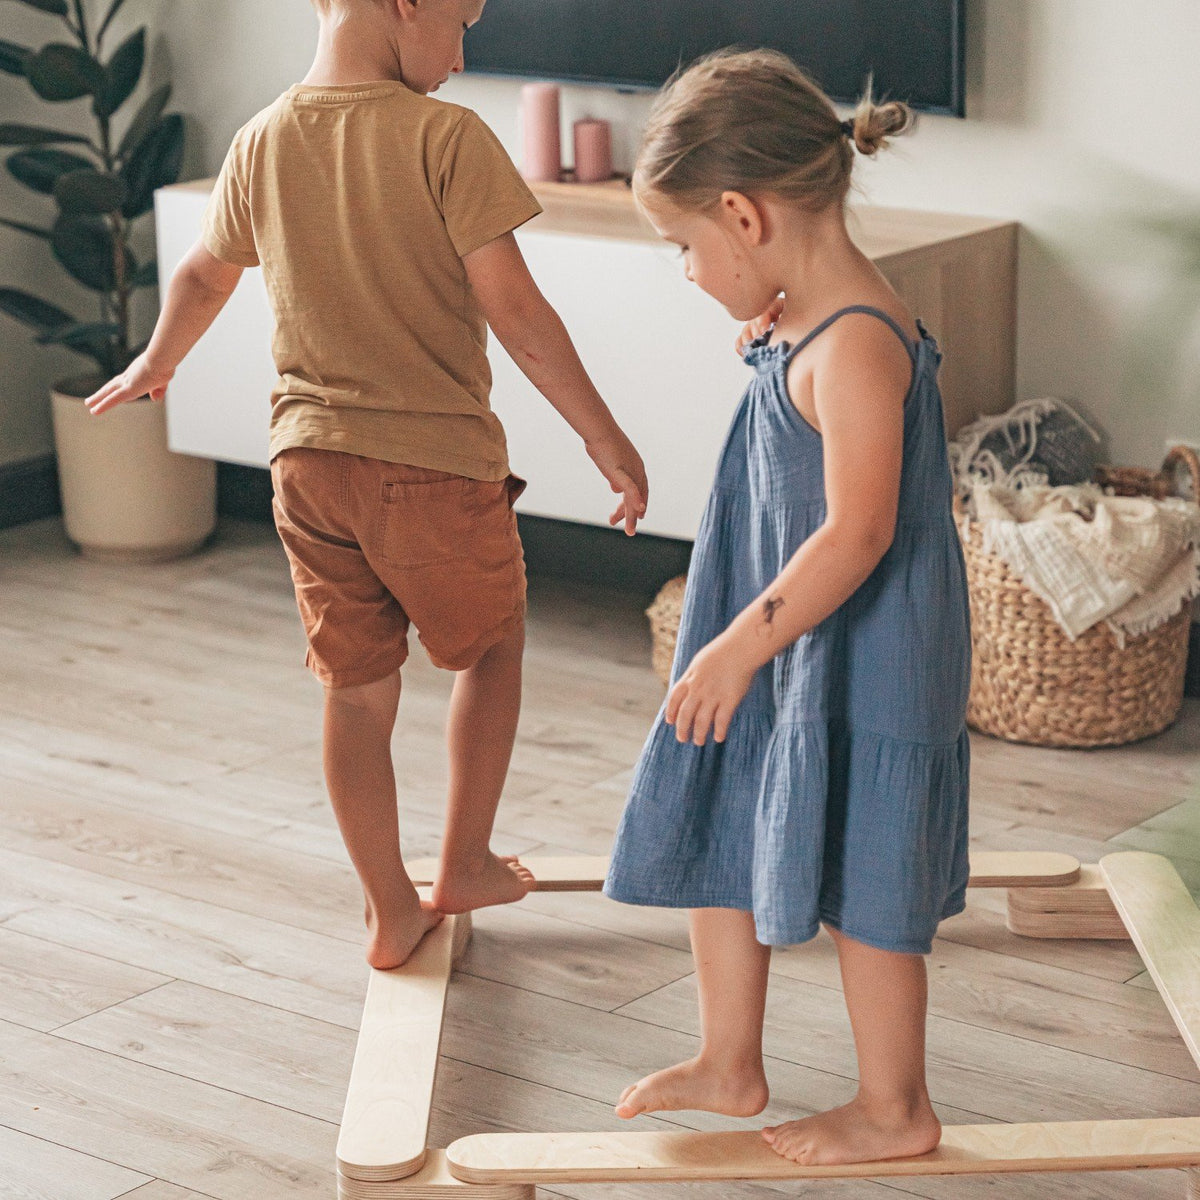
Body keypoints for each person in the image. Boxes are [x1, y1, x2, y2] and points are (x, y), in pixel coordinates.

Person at [86, 0, 647, 970]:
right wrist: (605, 438)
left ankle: (392, 908)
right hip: (433, 465)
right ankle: (463, 860)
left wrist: (154, 361)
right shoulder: (446, 138)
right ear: (404, 4)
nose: (465, 54)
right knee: (492, 646)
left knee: (354, 692)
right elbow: (515, 311)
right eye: (463, 24)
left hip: (305, 466)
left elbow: (203, 278)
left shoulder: (262, 138)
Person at [603, 48, 971, 1167]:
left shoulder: (855, 341)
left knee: (869, 867)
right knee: (723, 787)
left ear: (742, 215)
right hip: (785, 622)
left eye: (683, 247)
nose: (685, 271)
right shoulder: (807, 320)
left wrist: (736, 647)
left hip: (864, 644)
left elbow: (858, 531)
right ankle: (729, 1058)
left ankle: (894, 1108)